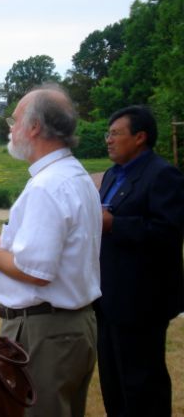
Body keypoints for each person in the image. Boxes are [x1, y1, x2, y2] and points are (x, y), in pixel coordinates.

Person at [0, 84, 101, 417]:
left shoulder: (48, 185)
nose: (11, 128)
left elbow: (35, 271)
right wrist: (2, 242)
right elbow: (58, 249)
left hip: (44, 332)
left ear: (35, 127)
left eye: (16, 119)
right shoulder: (71, 174)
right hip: (69, 327)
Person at [96, 105, 184, 416]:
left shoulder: (163, 175)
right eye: (108, 133)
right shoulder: (110, 175)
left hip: (142, 303)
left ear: (140, 137)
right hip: (108, 301)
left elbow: (168, 232)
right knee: (113, 384)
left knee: (142, 388)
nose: (108, 140)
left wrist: (113, 224)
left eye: (116, 133)